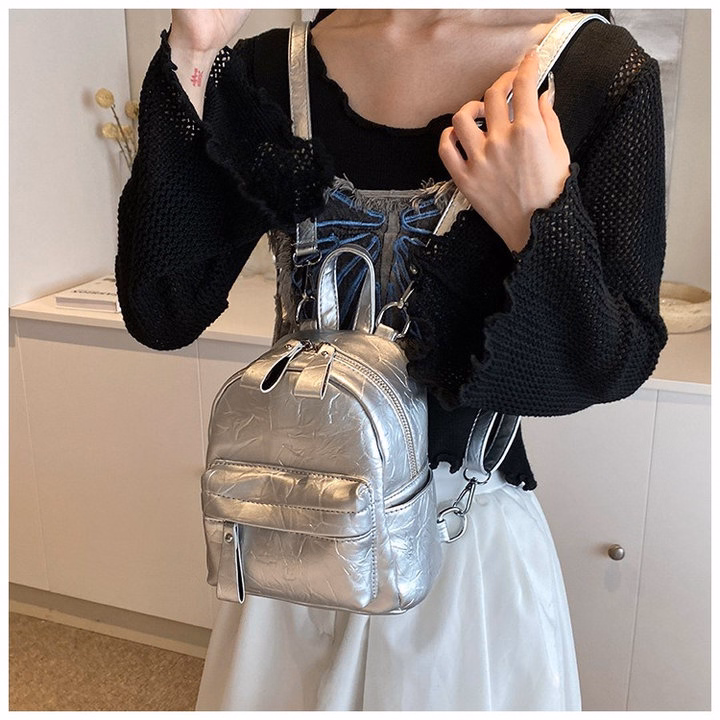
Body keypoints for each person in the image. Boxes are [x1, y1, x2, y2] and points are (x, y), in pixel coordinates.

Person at [116, 8, 667, 711]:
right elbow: (163, 309)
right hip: (295, 538)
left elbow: (611, 363)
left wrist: (535, 217)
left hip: (462, 553)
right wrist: (194, 54)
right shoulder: (271, 68)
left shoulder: (598, 69)